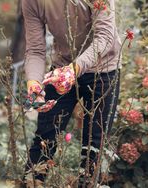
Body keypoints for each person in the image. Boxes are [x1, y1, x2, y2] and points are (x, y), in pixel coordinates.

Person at [21, 0, 121, 186]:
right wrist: (34, 81)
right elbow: (35, 49)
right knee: (44, 137)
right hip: (62, 68)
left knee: (93, 144)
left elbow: (105, 37)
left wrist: (74, 70)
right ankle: (32, 183)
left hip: (103, 70)